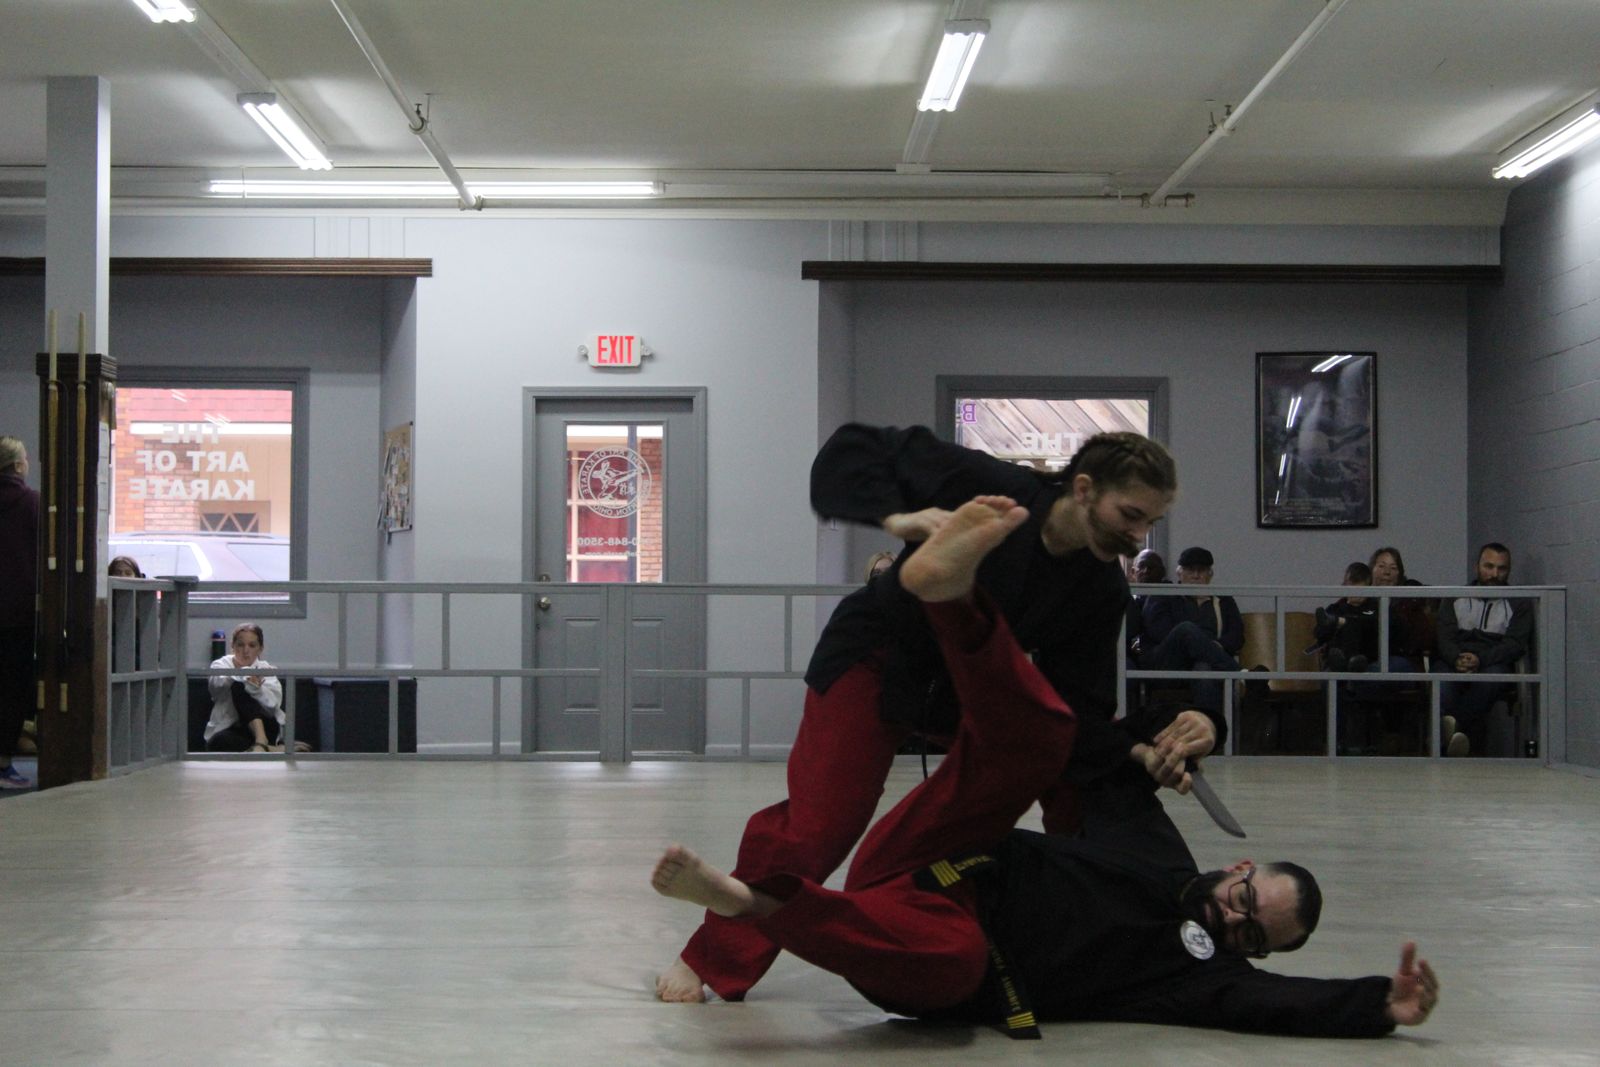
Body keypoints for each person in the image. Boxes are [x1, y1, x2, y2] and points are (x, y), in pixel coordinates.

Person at [653, 498, 1439, 1038]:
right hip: (894, 719)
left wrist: (1380, 1003)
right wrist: (1186, 724)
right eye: (1245, 900)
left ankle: (749, 901)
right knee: (847, 810)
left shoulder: (1194, 973)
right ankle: (948, 590)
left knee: (954, 959)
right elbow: (1102, 748)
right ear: (1239, 867)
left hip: (945, 934)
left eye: (1252, 935)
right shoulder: (1155, 853)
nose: (1235, 921)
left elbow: (1275, 1002)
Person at [657, 425, 1182, 1003]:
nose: (1138, 535)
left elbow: (1075, 708)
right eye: (1130, 515)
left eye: (1150, 522)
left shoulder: (1100, 591)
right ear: (1083, 489)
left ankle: (1094, 931)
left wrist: (1137, 748)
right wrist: (896, 517)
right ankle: (711, 956)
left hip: (962, 683)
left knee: (1062, 771)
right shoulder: (993, 489)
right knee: (821, 824)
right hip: (877, 656)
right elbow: (849, 453)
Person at [1433, 543, 1533, 757]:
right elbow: (1444, 637)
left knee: (1492, 679)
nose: (1494, 574)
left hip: (1493, 661)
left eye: (1502, 568)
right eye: (1489, 566)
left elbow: (1514, 644)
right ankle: (1458, 742)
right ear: (1476, 566)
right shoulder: (1455, 597)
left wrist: (1480, 658)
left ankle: (1453, 735)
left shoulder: (1519, 603)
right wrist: (1456, 658)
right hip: (1454, 659)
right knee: (1441, 682)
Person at [1137, 546, 1243, 715]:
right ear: (1179, 573)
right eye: (1190, 570)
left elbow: (1237, 635)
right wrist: (1198, 644)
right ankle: (1240, 675)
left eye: (1201, 570)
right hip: (1169, 663)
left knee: (1204, 670)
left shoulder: (1223, 600)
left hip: (1208, 664)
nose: (1196, 575)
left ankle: (1211, 729)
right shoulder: (1164, 594)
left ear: (1210, 575)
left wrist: (1216, 646)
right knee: (1186, 630)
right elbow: (1157, 631)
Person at [0, 436, 39, 790]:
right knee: (12, 690)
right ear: (17, 465)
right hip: (17, 614)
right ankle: (2, 764)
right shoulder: (32, 504)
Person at [204, 623, 286, 753]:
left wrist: (257, 690)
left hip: (266, 726)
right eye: (240, 645)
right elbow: (216, 685)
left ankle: (261, 740)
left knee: (242, 686)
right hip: (233, 729)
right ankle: (271, 749)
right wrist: (244, 675)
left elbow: (273, 706)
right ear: (232, 646)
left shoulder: (265, 669)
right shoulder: (220, 665)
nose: (246, 650)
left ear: (260, 649)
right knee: (216, 743)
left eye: (252, 646)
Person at [1311, 561, 1377, 673]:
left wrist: (1344, 621)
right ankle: (1342, 663)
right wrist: (1334, 625)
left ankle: (1350, 662)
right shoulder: (1335, 608)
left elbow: (1378, 628)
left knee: (1350, 624)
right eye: (1352, 586)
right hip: (1336, 661)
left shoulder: (1375, 607)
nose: (1356, 593)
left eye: (1360, 588)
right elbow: (1319, 634)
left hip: (1367, 660)